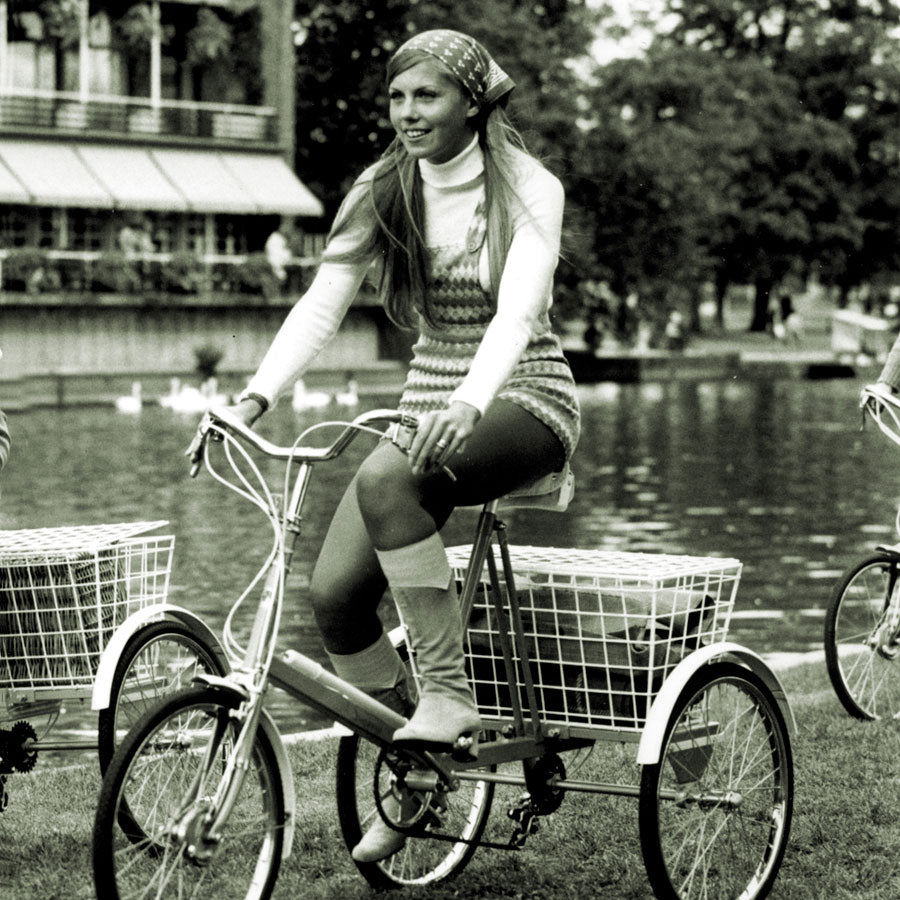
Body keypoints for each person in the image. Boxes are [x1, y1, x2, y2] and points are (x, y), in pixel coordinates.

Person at [224, 29, 580, 861]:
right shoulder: (383, 186)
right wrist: (253, 396)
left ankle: (451, 697)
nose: (408, 113)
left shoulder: (528, 187)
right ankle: (417, 767)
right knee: (335, 597)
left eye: (427, 96)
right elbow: (323, 303)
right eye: (397, 97)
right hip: (427, 404)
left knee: (387, 478)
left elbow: (518, 316)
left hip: (522, 394)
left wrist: (468, 399)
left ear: (472, 103)